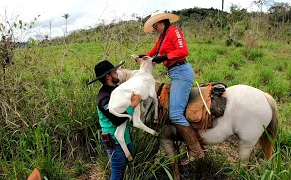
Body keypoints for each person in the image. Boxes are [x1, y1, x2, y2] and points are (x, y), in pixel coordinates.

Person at [136, 11, 204, 165]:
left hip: (181, 73)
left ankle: (195, 150)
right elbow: (153, 52)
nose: (155, 28)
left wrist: (164, 57)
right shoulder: (162, 37)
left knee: (175, 114)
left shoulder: (174, 32)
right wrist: (142, 56)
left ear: (163, 22)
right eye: (153, 26)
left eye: (156, 25)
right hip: (175, 73)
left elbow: (183, 51)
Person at [87, 60, 141, 180]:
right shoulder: (104, 98)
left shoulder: (117, 89)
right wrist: (133, 105)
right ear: (108, 77)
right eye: (115, 72)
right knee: (117, 174)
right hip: (114, 141)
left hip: (125, 137)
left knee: (130, 160)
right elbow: (116, 120)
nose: (118, 74)